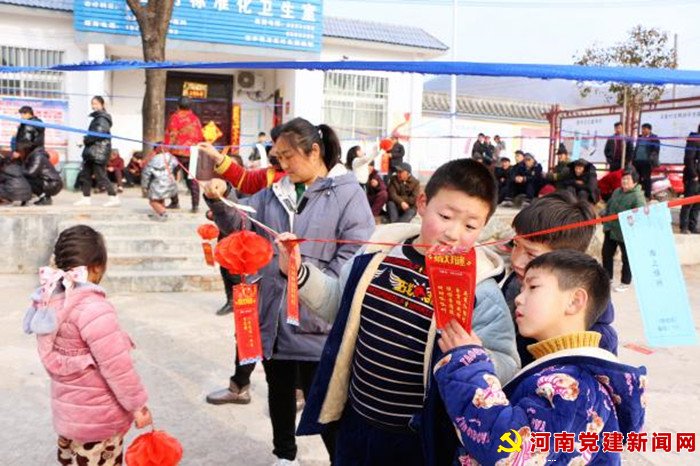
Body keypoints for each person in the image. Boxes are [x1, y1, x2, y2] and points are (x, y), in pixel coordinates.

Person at [285, 158, 519, 466]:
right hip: (356, 419)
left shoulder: (481, 290)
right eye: (445, 216)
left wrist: (473, 356)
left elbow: (507, 361)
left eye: (470, 226)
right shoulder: (375, 255)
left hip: (417, 437)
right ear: (422, 203)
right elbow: (339, 306)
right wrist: (299, 272)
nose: (453, 233)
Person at [203, 117, 375, 466]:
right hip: (273, 316)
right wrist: (220, 200)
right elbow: (242, 224)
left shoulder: (347, 193)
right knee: (279, 392)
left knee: (326, 405)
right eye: (277, 157)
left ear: (314, 151)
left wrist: (306, 278)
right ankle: (284, 455)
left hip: (318, 321)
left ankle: (341, 459)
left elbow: (355, 256)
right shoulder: (275, 192)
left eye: (288, 156)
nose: (282, 164)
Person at [435, 249, 646, 466]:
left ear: (575, 301)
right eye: (521, 288)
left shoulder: (574, 385)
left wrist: (467, 366)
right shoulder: (562, 370)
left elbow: (511, 451)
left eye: (533, 287)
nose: (519, 298)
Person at [23, 225, 152, 465]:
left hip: (69, 419)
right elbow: (117, 367)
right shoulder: (94, 309)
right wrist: (138, 406)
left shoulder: (50, 299)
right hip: (99, 424)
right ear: (97, 267)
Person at [502, 191, 618, 367]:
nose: (516, 261)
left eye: (531, 254)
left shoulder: (594, 344)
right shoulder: (514, 283)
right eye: (515, 244)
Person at [602, 167, 646, 292]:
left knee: (626, 257)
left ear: (635, 182)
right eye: (623, 178)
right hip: (611, 228)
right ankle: (607, 278)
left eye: (628, 179)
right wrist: (605, 213)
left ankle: (625, 282)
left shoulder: (637, 197)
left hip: (626, 232)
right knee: (606, 254)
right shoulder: (617, 191)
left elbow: (640, 216)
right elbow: (609, 205)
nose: (624, 181)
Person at [74, 96, 120, 207]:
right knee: (85, 175)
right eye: (92, 103)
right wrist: (85, 140)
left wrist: (84, 140)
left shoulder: (102, 118)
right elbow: (94, 134)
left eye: (96, 103)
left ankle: (114, 197)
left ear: (102, 105)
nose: (93, 106)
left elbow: (98, 134)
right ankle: (86, 198)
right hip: (92, 151)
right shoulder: (97, 118)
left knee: (101, 176)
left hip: (99, 152)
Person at [165, 96, 204, 212]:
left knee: (170, 176)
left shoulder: (175, 117)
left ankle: (174, 202)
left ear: (178, 106)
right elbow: (200, 136)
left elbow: (172, 135)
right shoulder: (196, 119)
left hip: (178, 153)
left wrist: (166, 149)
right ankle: (195, 205)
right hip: (193, 152)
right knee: (192, 179)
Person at [141, 144, 179, 222]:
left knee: (153, 201)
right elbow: (177, 166)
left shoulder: (154, 159)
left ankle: (163, 213)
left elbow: (146, 172)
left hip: (159, 182)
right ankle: (159, 212)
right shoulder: (172, 157)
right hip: (170, 180)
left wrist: (144, 185)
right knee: (161, 198)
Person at [19, 141, 63, 205]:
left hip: (52, 183)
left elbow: (31, 172)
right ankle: (44, 197)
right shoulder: (32, 156)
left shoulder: (38, 156)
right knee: (24, 178)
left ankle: (44, 197)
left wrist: (17, 171)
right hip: (48, 181)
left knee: (24, 179)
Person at [680, 124, 700, 234]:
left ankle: (693, 226)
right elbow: (688, 159)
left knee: (698, 203)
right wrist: (694, 175)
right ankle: (684, 226)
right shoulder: (694, 140)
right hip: (693, 177)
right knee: (688, 202)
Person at [632, 123, 660, 199]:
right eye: (642, 129)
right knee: (637, 178)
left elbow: (656, 150)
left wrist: (651, 159)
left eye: (644, 129)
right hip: (637, 162)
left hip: (647, 162)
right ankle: (637, 194)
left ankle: (647, 195)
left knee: (646, 179)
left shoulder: (654, 138)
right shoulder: (639, 138)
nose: (643, 131)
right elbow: (636, 148)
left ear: (649, 130)